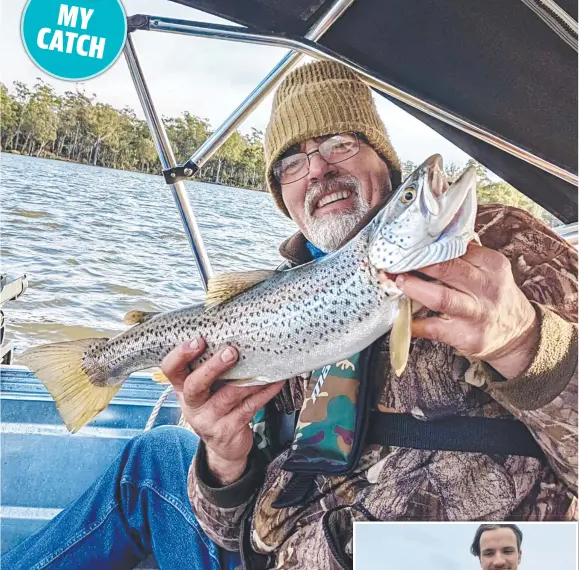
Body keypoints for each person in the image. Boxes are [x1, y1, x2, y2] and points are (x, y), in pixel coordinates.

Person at [3, 61, 577, 570]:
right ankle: (94, 368)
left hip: (452, 551)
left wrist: (529, 345)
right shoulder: (277, 297)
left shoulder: (502, 249)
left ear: (384, 158)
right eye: (291, 162)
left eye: (339, 143)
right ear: (283, 196)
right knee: (154, 458)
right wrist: (224, 461)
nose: (318, 170)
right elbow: (231, 531)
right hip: (288, 545)